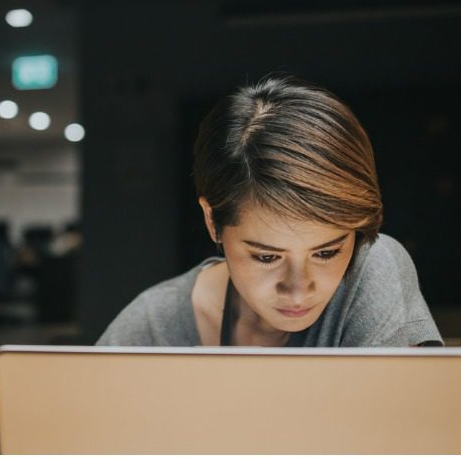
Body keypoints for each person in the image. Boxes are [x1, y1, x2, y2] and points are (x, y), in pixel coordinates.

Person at [97, 75, 442, 347]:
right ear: (212, 221)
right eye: (266, 257)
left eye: (326, 252)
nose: (298, 290)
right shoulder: (155, 325)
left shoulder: (373, 270)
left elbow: (397, 432)